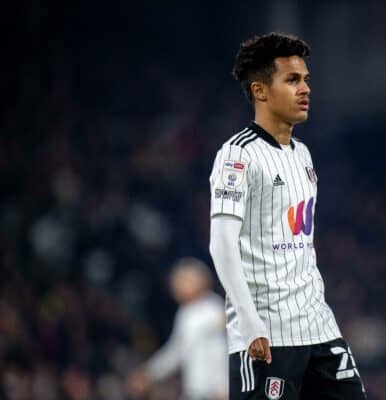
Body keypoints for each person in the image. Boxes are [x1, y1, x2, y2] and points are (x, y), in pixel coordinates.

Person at [209, 32, 366, 400]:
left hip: (319, 327)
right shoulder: (237, 156)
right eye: (292, 80)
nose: (305, 89)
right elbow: (222, 246)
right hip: (267, 334)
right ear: (260, 91)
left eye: (306, 79)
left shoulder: (303, 154)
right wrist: (250, 323)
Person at [128, 257, 228, 400]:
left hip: (215, 393)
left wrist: (222, 387)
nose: (175, 286)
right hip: (196, 391)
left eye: (181, 280)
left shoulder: (213, 309)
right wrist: (149, 373)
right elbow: (177, 350)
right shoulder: (187, 312)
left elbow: (220, 351)